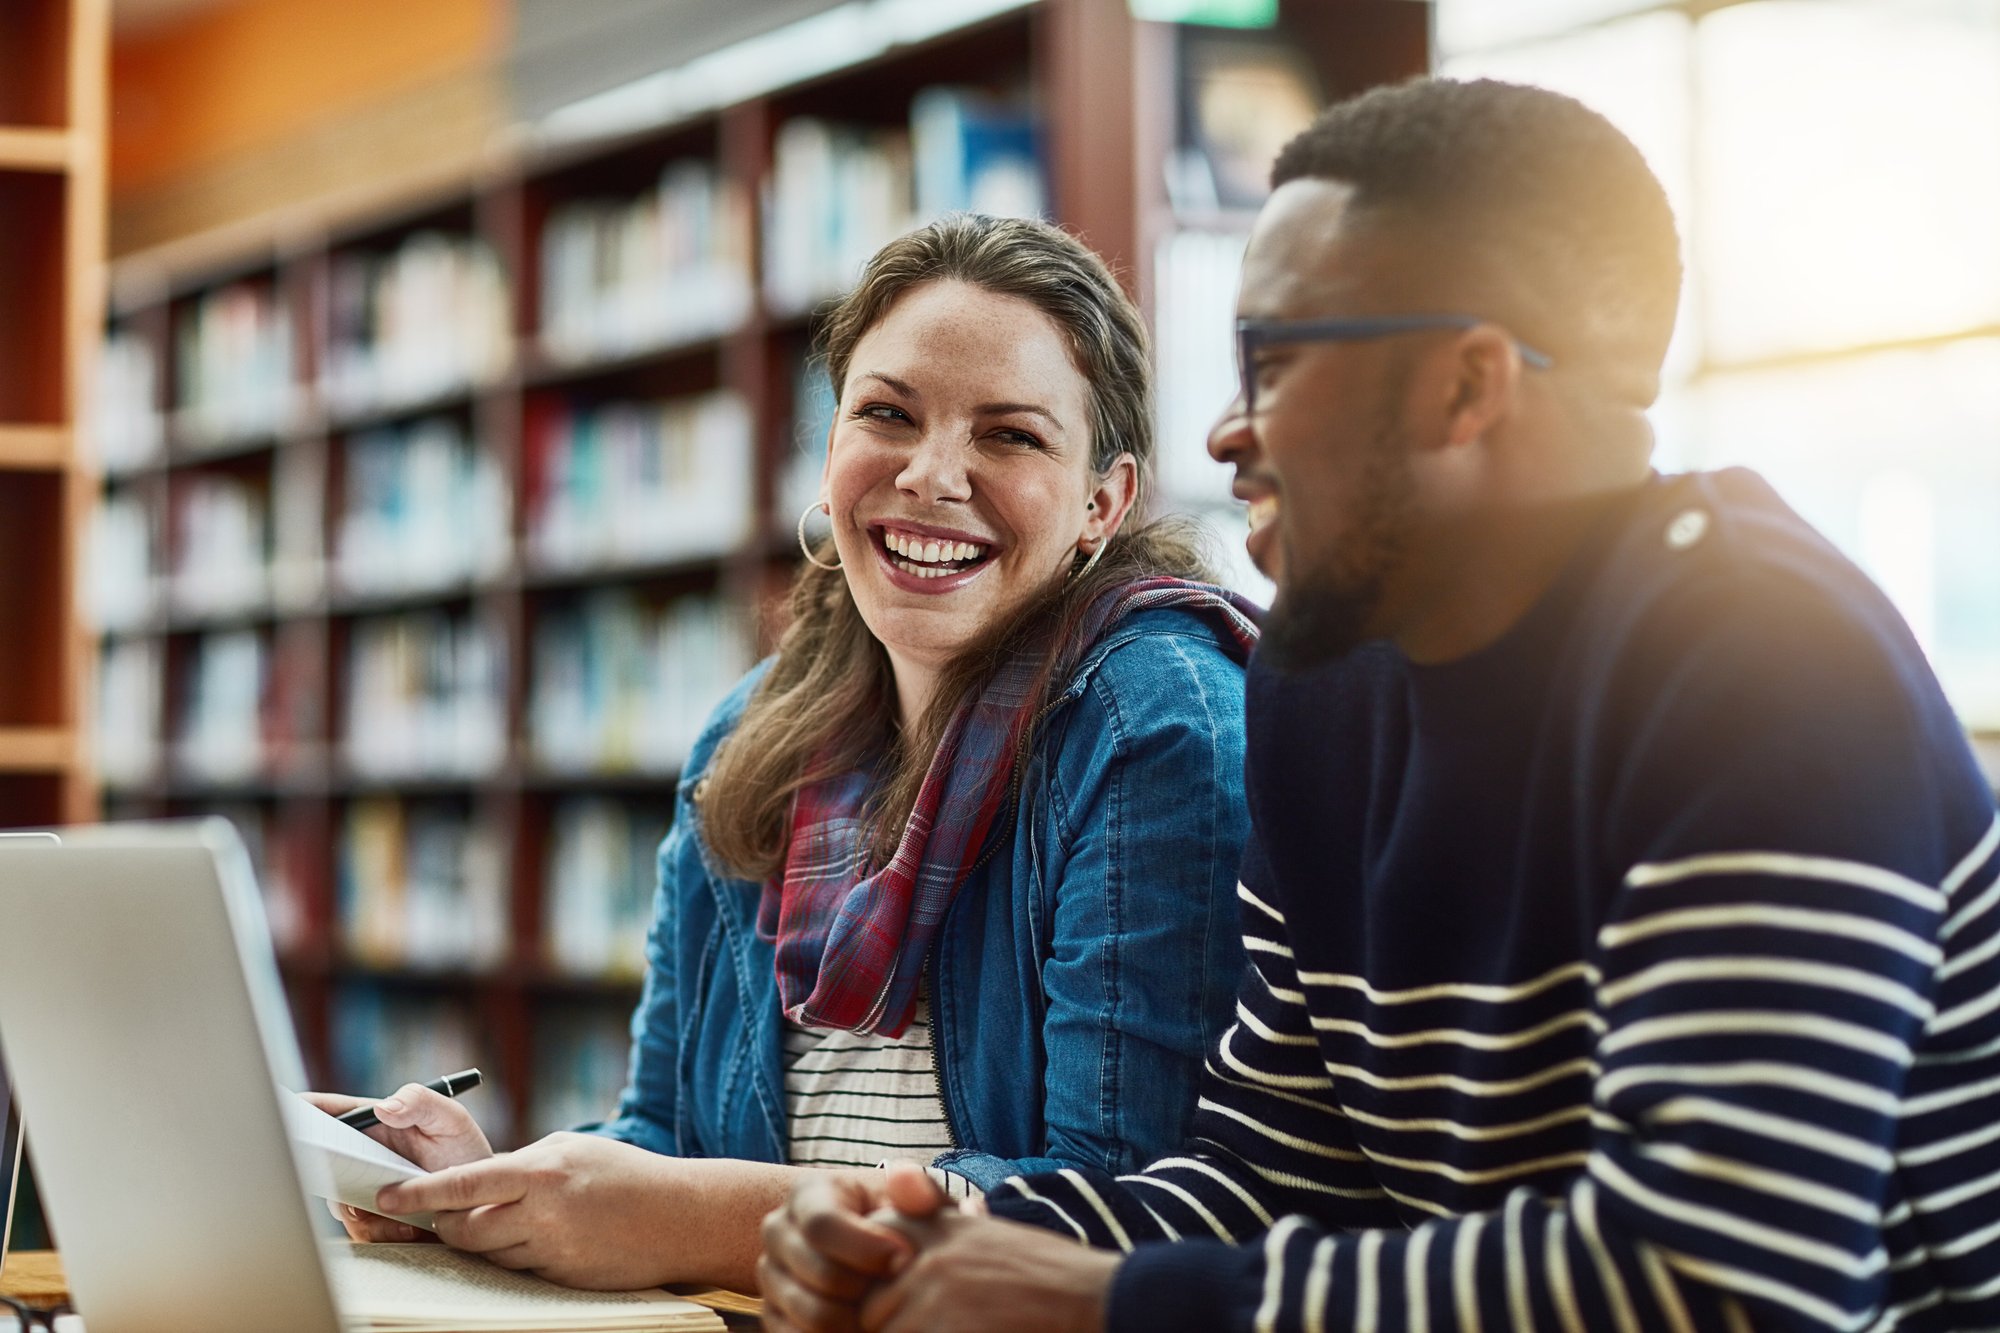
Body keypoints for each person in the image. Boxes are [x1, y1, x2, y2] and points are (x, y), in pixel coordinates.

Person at [758, 78, 2000, 1333]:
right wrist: (927, 1232)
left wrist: (1102, 1296)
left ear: (1462, 390)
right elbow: (1265, 1185)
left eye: (1275, 362)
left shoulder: (1763, 665)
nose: (1226, 431)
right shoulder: (1321, 691)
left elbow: (1715, 1284)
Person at [307, 213, 1259, 1294]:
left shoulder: (1155, 720)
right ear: (829, 445)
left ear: (1104, 500)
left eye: (1010, 436)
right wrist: (482, 1192)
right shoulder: (751, 735)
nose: (930, 475)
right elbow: (667, 1138)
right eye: (886, 414)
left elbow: (1135, 1207)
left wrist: (711, 1221)